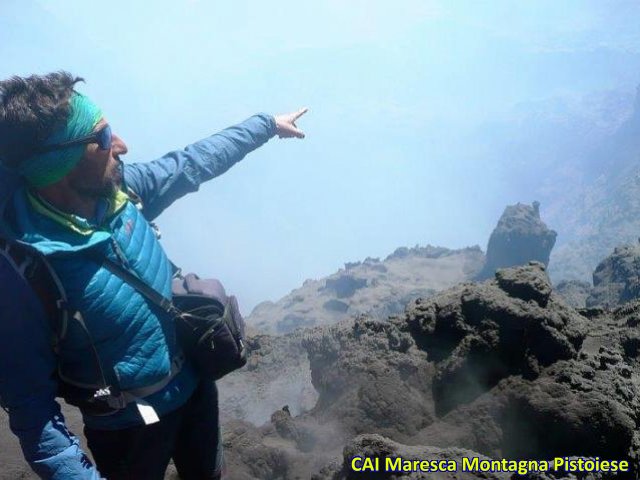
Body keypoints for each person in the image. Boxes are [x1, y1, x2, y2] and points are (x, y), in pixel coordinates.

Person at [0, 71, 307, 479]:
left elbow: (192, 163)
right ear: (58, 164)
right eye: (105, 139)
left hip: (196, 385)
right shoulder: (22, 273)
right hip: (129, 425)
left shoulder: (121, 192)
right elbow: (31, 409)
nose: (122, 146)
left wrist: (265, 125)